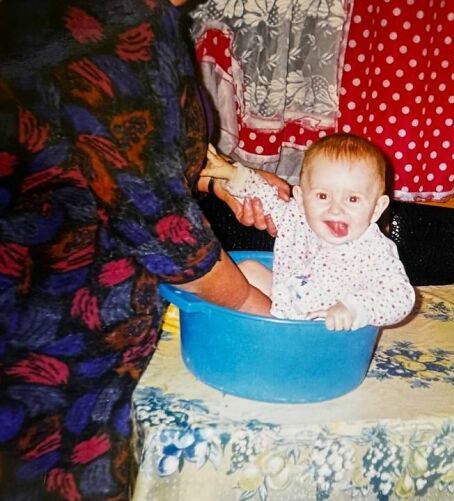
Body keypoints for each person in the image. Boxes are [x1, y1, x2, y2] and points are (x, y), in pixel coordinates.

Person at [0, 0, 287, 498]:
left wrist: (225, 176)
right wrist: (264, 315)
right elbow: (161, 228)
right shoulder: (118, 25)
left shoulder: (146, 16)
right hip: (50, 338)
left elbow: (114, 150)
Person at [202, 133, 416, 331]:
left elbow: (400, 295)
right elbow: (265, 197)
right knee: (245, 271)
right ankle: (213, 318)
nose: (336, 208)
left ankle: (267, 334)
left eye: (352, 199)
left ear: (377, 208)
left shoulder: (374, 249)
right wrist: (234, 176)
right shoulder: (298, 217)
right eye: (323, 196)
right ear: (302, 199)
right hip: (287, 303)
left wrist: (355, 308)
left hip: (326, 330)